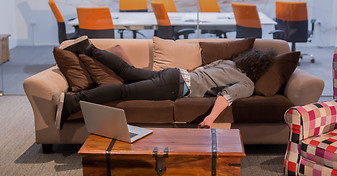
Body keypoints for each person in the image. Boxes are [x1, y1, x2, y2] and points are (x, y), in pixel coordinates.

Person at [55, 37, 276, 130]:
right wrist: (210, 118)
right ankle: (73, 102)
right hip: (174, 86)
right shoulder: (246, 83)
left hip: (174, 74)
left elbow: (200, 70)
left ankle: (88, 48)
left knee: (127, 72)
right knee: (123, 91)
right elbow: (225, 96)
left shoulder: (229, 63)